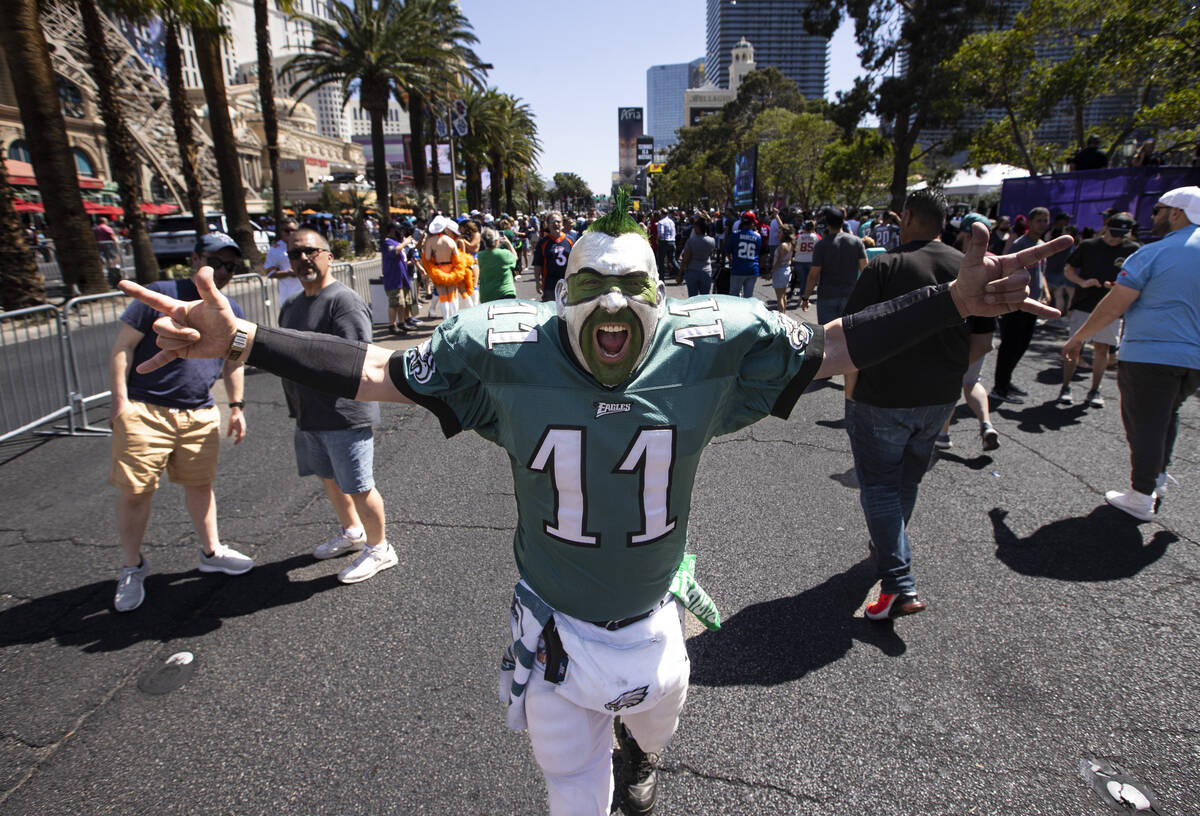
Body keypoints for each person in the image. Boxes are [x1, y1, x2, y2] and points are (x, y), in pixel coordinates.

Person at [119, 190, 1067, 815]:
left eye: (632, 289)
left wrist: (949, 304)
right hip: (555, 616)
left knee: (657, 725)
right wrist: (247, 340)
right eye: (593, 288)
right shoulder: (503, 351)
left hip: (655, 613)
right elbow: (374, 368)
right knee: (573, 785)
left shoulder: (707, 345)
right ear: (559, 293)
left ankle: (644, 757)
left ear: (662, 296)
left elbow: (830, 352)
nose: (613, 308)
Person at [842, 189, 979, 620]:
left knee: (880, 486)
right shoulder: (966, 267)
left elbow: (852, 336)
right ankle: (889, 543)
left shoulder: (886, 265)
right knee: (907, 481)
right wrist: (943, 368)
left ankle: (899, 583)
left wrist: (851, 390)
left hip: (883, 397)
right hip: (940, 398)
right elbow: (983, 341)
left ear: (907, 219)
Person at [108, 232, 254, 612]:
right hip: (146, 410)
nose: (223, 272)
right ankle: (131, 566)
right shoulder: (159, 293)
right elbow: (122, 347)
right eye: (217, 262)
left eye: (230, 266)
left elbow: (234, 361)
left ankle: (211, 551)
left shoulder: (231, 308)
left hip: (199, 412)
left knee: (200, 486)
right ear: (196, 258)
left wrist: (236, 406)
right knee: (136, 491)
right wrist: (121, 402)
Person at [1063, 187, 1200, 521]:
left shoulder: (1153, 252)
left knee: (1145, 425)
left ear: (1177, 213)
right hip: (1193, 358)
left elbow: (1115, 303)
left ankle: (1141, 495)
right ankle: (1159, 479)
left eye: (1158, 210)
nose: (1152, 217)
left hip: (1150, 354)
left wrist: (1078, 337)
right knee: (1168, 415)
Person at [280, 227, 395, 583]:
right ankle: (352, 533)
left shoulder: (343, 302)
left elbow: (357, 358)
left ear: (328, 256)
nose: (303, 259)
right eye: (296, 254)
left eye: (310, 252)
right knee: (329, 478)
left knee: (359, 485)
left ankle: (380, 548)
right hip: (308, 413)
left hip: (343, 414)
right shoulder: (291, 306)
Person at [1058, 213, 1140, 408]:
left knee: (1102, 348)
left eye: (1121, 234)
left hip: (1112, 306)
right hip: (1084, 303)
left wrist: (1119, 286)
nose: (1116, 238)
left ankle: (1095, 389)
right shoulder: (1088, 246)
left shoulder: (1133, 250)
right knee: (1075, 345)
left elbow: (1136, 278)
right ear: (1106, 227)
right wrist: (1083, 282)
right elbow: (1069, 269)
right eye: (1114, 232)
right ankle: (1066, 386)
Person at [936, 214, 1001, 452]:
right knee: (972, 382)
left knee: (951, 382)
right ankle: (986, 423)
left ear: (965, 235)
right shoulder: (995, 264)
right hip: (980, 337)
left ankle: (943, 433)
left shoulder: (955, 263)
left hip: (956, 339)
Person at [990, 207, 1050, 403]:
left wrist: (1045, 292)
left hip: (1034, 304)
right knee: (1010, 345)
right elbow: (1008, 271)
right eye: (1039, 220)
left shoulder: (1042, 245)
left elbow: (1041, 273)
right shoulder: (1020, 245)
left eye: (1045, 220)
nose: (1043, 224)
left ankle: (1007, 381)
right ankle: (1000, 387)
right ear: (1030, 223)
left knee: (1022, 345)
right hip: (1017, 304)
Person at [804, 206, 868, 325]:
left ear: (827, 224)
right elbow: (865, 270)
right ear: (843, 221)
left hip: (827, 296)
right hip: (850, 295)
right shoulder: (856, 242)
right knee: (848, 335)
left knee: (828, 337)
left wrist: (806, 297)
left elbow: (813, 275)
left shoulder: (821, 246)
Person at [381, 222, 415, 334]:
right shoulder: (387, 242)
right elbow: (394, 251)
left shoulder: (397, 242)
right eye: (399, 230)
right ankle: (392, 325)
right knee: (394, 303)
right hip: (393, 278)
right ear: (392, 230)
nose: (401, 233)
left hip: (403, 278)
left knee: (402, 303)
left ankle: (402, 323)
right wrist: (405, 243)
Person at [533, 211, 573, 302]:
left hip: (568, 282)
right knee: (551, 310)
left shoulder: (570, 240)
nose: (556, 224)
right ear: (547, 224)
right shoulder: (543, 243)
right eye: (552, 222)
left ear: (562, 224)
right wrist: (537, 282)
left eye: (558, 222)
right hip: (549, 284)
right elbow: (537, 264)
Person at [264, 218, 302, 306]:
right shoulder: (275, 250)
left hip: (307, 293)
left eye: (293, 230)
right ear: (281, 232)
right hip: (288, 296)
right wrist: (288, 273)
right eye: (287, 230)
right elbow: (270, 273)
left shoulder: (303, 245)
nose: (290, 233)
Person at [724, 211, 762, 297]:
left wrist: (731, 261)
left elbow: (727, 251)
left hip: (738, 268)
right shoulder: (757, 236)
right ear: (752, 223)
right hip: (752, 269)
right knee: (748, 297)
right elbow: (758, 252)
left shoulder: (735, 234)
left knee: (734, 296)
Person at [678, 214, 717, 297]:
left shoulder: (691, 241)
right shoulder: (712, 241)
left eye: (695, 227)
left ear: (698, 228)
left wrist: (680, 273)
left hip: (692, 271)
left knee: (693, 298)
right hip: (706, 271)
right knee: (705, 298)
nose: (693, 229)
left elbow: (685, 259)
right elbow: (710, 253)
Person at [477, 226, 518, 302]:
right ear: (496, 241)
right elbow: (515, 257)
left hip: (487, 295)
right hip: (506, 292)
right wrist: (508, 243)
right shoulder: (505, 254)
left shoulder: (479, 256)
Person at [790, 219, 820, 307]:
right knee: (809, 281)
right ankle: (804, 299)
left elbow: (794, 247)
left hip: (799, 260)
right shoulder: (816, 237)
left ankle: (802, 298)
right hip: (811, 261)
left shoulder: (799, 236)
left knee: (803, 280)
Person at [769, 225, 795, 313]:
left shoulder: (782, 246)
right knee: (783, 295)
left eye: (780, 233)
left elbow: (779, 261)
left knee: (779, 297)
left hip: (780, 270)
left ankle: (781, 315)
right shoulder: (790, 244)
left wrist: (771, 272)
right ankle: (784, 313)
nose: (778, 234)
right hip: (787, 269)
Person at [95, 215, 123, 289]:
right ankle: (114, 277)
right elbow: (112, 236)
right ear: (104, 221)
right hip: (109, 247)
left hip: (100, 247)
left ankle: (111, 276)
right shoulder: (106, 228)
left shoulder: (96, 228)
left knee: (106, 262)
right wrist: (117, 245)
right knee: (113, 262)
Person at [655, 209, 678, 284]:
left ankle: (661, 279)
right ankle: (681, 272)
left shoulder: (661, 222)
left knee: (661, 261)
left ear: (661, 214)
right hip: (672, 241)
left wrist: (657, 240)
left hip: (664, 242)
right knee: (672, 260)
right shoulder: (671, 221)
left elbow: (660, 233)